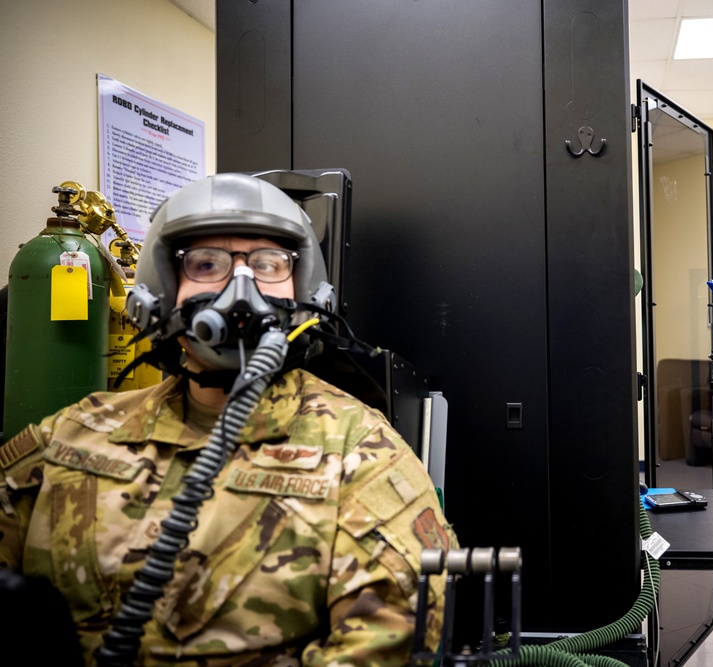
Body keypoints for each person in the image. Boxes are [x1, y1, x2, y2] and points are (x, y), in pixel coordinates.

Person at [0, 173, 457, 666]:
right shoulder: (73, 436)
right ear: (160, 290)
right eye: (206, 264)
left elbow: (388, 642)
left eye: (269, 264)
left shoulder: (361, 450)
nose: (241, 290)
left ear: (305, 292)